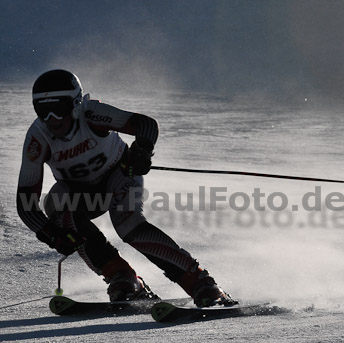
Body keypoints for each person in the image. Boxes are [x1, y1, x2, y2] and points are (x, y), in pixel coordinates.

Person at [16, 69, 234, 306]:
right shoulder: (37, 138)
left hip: (119, 176)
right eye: (42, 110)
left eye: (58, 109)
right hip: (84, 195)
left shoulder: (91, 114)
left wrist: (140, 151)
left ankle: (200, 281)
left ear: (77, 104)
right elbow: (25, 202)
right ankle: (122, 277)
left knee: (128, 224)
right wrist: (52, 235)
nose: (51, 119)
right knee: (56, 203)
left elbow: (146, 125)